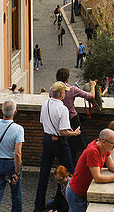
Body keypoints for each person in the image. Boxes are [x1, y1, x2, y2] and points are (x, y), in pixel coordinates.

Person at [35, 82, 79, 212]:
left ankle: (39, 205)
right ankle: (65, 204)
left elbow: (42, 121)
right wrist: (75, 133)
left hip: (47, 139)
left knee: (44, 173)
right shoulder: (63, 108)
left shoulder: (45, 103)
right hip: (59, 142)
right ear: (61, 94)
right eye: (64, 92)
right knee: (70, 172)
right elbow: (63, 132)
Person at [66, 128, 114, 211]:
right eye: (113, 143)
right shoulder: (93, 151)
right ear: (104, 142)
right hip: (77, 193)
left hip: (82, 192)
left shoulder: (105, 148)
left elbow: (111, 165)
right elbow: (98, 178)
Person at [0, 99, 25, 212]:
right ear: (15, 112)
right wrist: (17, 172)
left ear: (1, 110)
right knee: (16, 194)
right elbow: (17, 153)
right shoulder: (19, 129)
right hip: (12, 164)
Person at [56, 69, 98, 160]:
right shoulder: (72, 89)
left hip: (58, 120)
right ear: (67, 78)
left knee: (65, 143)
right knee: (81, 142)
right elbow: (91, 96)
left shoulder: (52, 90)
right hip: (72, 119)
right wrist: (92, 86)